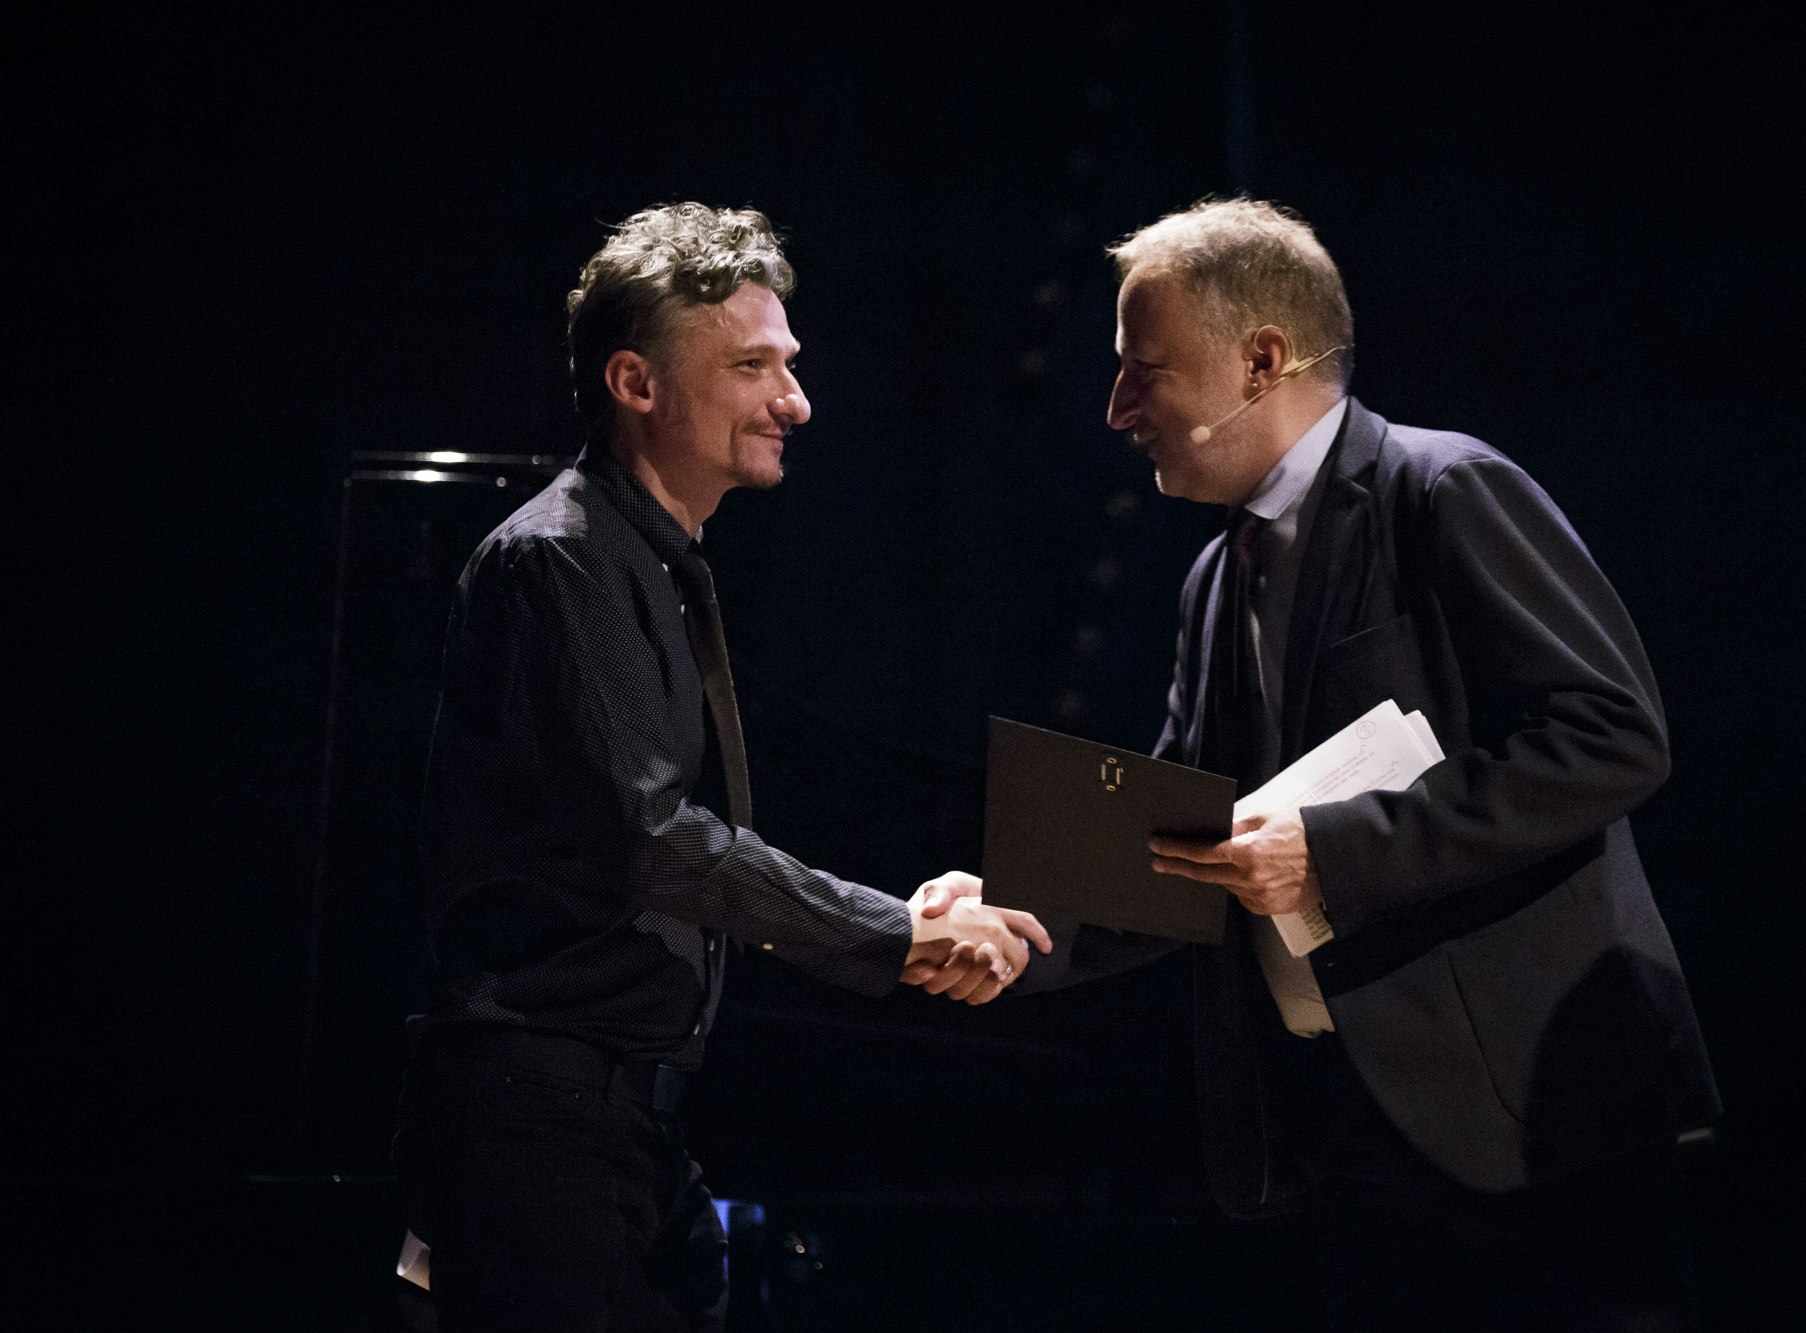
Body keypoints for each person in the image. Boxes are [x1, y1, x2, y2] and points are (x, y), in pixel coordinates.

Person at [924, 198, 1719, 1328]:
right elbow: (1189, 844)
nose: (1116, 408)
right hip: (1350, 1130)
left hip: (1534, 1122)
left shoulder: (1440, 488)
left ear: (1260, 361)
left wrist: (1332, 851)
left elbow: (1612, 736)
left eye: (1144, 370)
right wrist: (1015, 912)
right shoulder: (1216, 576)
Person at [395, 202, 1046, 1331]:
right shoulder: (559, 560)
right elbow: (655, 841)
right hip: (538, 1117)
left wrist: (905, 913)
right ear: (636, 384)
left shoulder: (650, 560)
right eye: (753, 367)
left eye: (787, 364)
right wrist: (893, 931)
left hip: (618, 1119)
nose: (795, 401)